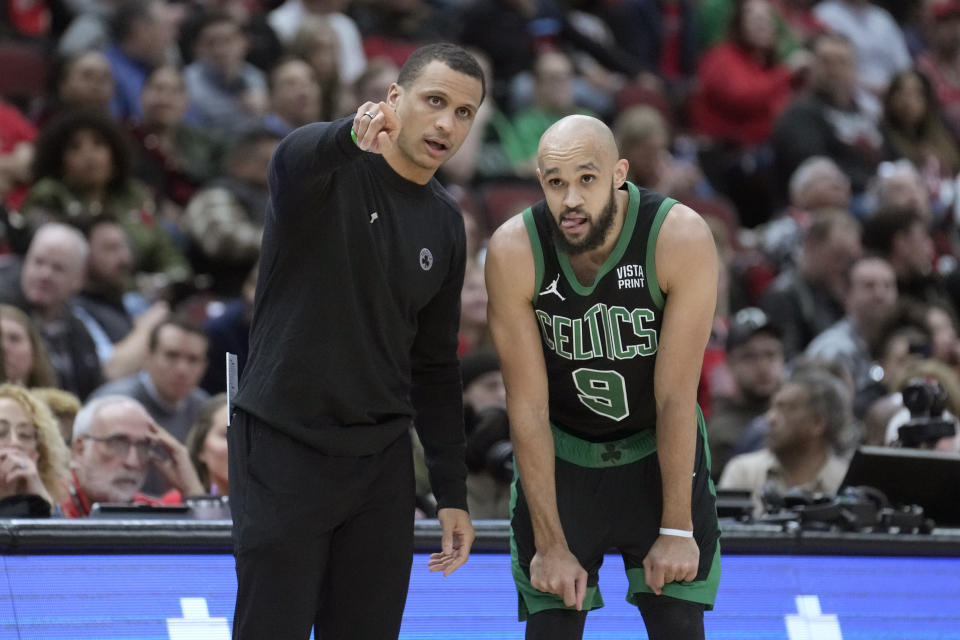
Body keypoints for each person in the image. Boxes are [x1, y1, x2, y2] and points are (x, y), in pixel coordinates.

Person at [228, 43, 485, 639]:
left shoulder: (446, 224)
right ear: (395, 100)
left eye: (465, 112)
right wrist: (349, 135)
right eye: (435, 101)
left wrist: (451, 491)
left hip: (381, 463)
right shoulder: (328, 173)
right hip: (284, 444)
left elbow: (436, 367)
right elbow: (292, 157)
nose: (447, 123)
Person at [485, 114, 721, 639]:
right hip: (562, 457)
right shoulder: (513, 249)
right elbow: (526, 407)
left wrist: (678, 528)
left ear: (619, 173)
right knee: (551, 628)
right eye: (555, 182)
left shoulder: (678, 236)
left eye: (586, 179)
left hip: (656, 451)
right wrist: (549, 544)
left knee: (680, 624)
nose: (570, 199)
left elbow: (677, 397)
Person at [61, 395, 204, 517]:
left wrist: (192, 490)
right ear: (79, 449)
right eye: (117, 443)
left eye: (143, 446)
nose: (133, 462)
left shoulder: (153, 514)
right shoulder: (49, 507)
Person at [0, 384, 69, 517]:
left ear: (38, 453)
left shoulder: (48, 501)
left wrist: (41, 501)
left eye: (25, 434)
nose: (15, 442)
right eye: (1, 432)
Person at [184, 393, 228, 495]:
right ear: (200, 447)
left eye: (245, 436)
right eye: (226, 435)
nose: (238, 446)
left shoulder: (271, 507)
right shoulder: (174, 504)